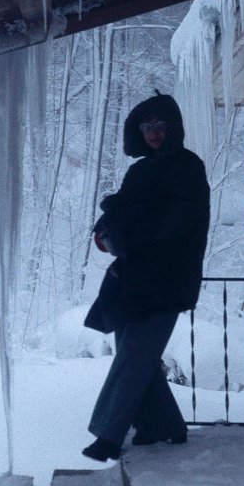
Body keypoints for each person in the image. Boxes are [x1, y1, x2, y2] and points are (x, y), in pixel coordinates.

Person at [80, 91, 210, 462]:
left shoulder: (188, 167)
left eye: (160, 125)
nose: (153, 133)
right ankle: (162, 425)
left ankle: (107, 435)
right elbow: (117, 217)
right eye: (147, 126)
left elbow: (176, 222)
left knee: (134, 357)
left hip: (168, 281)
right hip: (133, 280)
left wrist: (124, 235)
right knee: (134, 354)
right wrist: (106, 234)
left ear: (173, 128)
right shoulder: (139, 170)